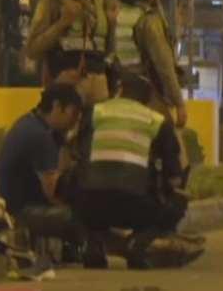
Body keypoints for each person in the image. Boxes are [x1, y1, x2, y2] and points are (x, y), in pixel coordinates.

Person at [75, 72, 203, 270]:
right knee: (177, 200)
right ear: (148, 100)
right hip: (135, 208)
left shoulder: (95, 112)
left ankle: (93, 243)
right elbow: (175, 178)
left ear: (119, 91)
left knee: (79, 181)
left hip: (89, 204)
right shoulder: (156, 120)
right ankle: (139, 243)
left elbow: (80, 153)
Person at [24, 0, 117, 181]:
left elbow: (108, 50)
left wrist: (113, 24)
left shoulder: (102, 3)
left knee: (96, 148)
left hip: (99, 88)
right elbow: (32, 49)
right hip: (65, 89)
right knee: (64, 149)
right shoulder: (53, 0)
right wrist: (62, 23)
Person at [0, 84, 85, 257]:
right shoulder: (40, 137)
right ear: (57, 107)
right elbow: (52, 193)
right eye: (73, 114)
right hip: (20, 212)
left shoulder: (28, 123)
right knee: (80, 216)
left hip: (11, 204)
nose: (74, 122)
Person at [117, 0, 190, 171]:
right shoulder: (149, 21)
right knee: (176, 154)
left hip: (123, 92)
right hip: (150, 94)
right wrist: (179, 103)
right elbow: (164, 65)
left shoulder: (122, 16)